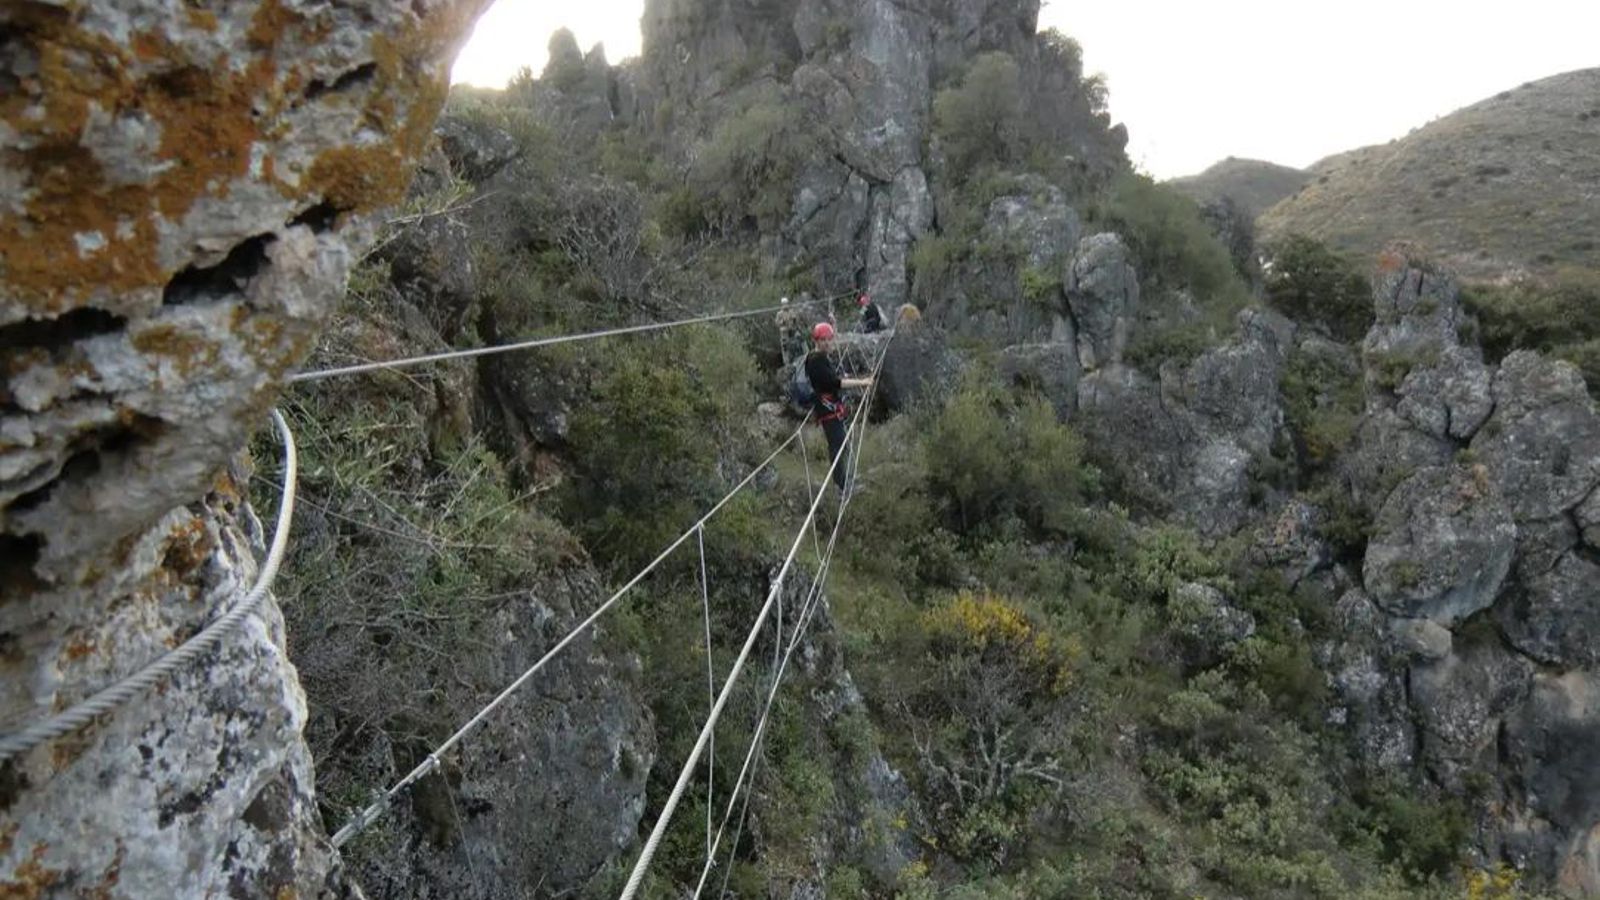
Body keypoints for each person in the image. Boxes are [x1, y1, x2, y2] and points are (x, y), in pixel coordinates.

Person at [805, 322, 873, 491]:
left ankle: (845, 478)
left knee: (841, 443)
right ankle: (842, 486)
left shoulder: (816, 357)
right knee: (837, 445)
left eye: (829, 339)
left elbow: (830, 381)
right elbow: (835, 383)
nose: (827, 343)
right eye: (823, 340)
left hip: (828, 406)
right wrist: (862, 382)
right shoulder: (816, 361)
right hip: (827, 409)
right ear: (817, 341)